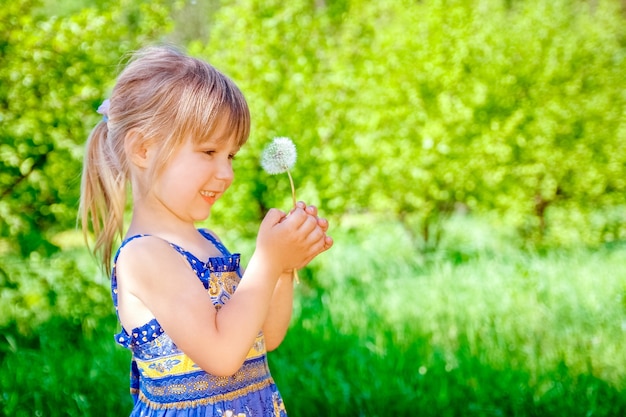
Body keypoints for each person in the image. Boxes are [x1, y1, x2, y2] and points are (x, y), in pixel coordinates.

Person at [79, 45, 333, 416]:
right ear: (144, 149)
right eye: (209, 152)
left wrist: (283, 267)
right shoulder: (144, 255)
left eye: (231, 156)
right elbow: (223, 354)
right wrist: (267, 258)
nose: (226, 173)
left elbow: (265, 337)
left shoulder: (207, 243)